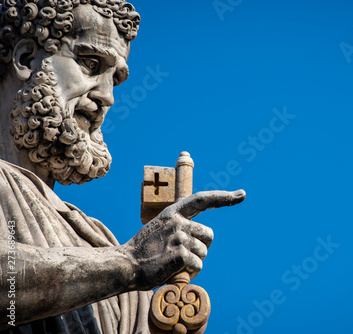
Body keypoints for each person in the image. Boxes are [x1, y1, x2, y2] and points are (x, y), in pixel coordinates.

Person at [0, 1, 245, 333]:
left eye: (115, 78)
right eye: (90, 63)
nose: (107, 96)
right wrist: (129, 264)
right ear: (26, 59)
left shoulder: (99, 243)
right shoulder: (126, 261)